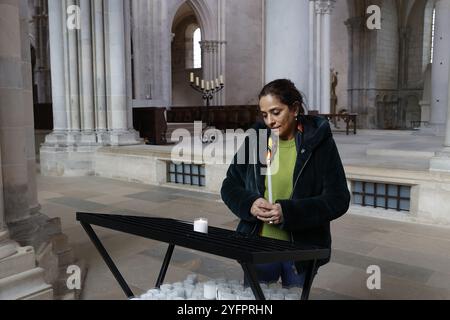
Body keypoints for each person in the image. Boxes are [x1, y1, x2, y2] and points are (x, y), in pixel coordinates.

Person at [220, 79, 350, 288]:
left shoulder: (319, 143)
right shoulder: (258, 140)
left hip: (299, 251)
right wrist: (249, 203)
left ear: (295, 108)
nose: (269, 121)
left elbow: (338, 199)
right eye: (264, 115)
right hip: (258, 246)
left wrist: (289, 212)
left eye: (276, 112)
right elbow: (229, 186)